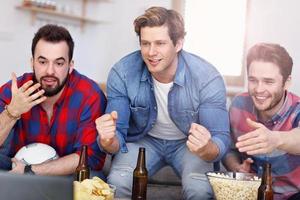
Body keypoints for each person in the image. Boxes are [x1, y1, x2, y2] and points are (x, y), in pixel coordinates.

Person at [96, 6, 230, 199]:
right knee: (118, 182)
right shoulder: (122, 72)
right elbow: (117, 138)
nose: (151, 52)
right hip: (143, 140)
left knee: (199, 189)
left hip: (187, 143)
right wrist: (107, 139)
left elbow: (220, 138)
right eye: (145, 43)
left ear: (178, 44)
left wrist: (206, 147)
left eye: (160, 43)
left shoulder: (207, 77)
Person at [0, 24, 107, 176]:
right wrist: (12, 112)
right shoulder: (16, 90)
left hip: (65, 175)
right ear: (32, 62)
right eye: (42, 62)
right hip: (15, 169)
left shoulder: (89, 95)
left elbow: (89, 156)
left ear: (70, 65)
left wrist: (31, 171)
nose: (50, 71)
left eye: (59, 63)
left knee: (93, 177)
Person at [223, 43, 300, 200]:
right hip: (248, 193)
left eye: (268, 82)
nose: (258, 89)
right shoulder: (239, 105)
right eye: (253, 80)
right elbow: (229, 149)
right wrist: (236, 168)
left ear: (287, 82)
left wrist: (275, 139)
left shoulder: (297, 109)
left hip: (292, 195)